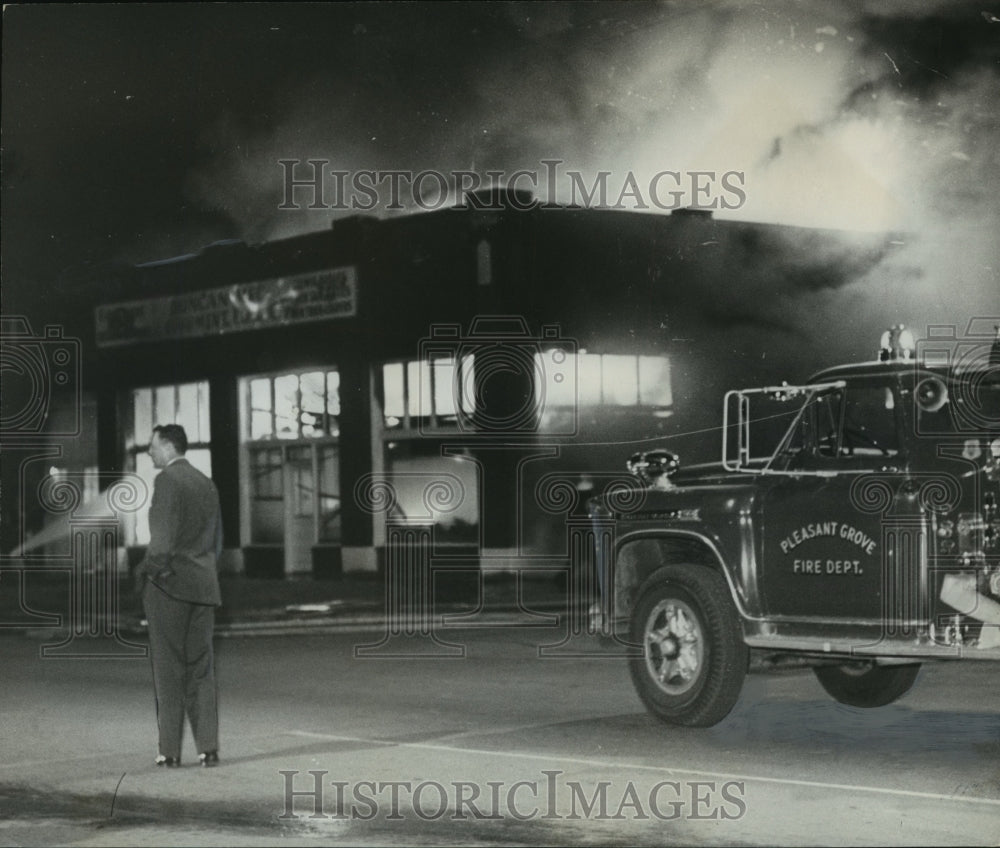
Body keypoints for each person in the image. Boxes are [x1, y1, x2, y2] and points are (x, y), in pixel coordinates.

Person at [136, 424, 223, 768]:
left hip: (170, 587)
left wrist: (148, 571)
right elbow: (216, 542)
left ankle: (169, 751)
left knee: (169, 668)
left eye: (153, 445)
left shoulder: (167, 481)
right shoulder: (206, 482)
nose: (149, 452)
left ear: (169, 446)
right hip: (204, 586)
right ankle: (208, 748)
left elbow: (162, 540)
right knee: (201, 669)